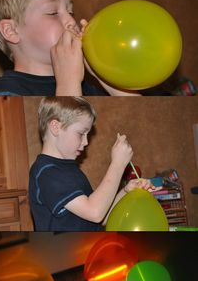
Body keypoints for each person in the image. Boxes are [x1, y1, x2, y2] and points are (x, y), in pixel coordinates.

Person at [0, 0, 138, 97]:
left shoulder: (86, 86)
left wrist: (102, 74)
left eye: (70, 12)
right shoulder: (7, 92)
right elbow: (66, 118)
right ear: (11, 31)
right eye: (53, 12)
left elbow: (135, 110)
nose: (71, 21)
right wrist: (68, 83)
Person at [29, 96, 156, 231]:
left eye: (87, 135)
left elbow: (101, 216)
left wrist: (125, 191)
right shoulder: (47, 172)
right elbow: (95, 213)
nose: (86, 142)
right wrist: (118, 164)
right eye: (81, 133)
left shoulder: (70, 169)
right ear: (55, 127)